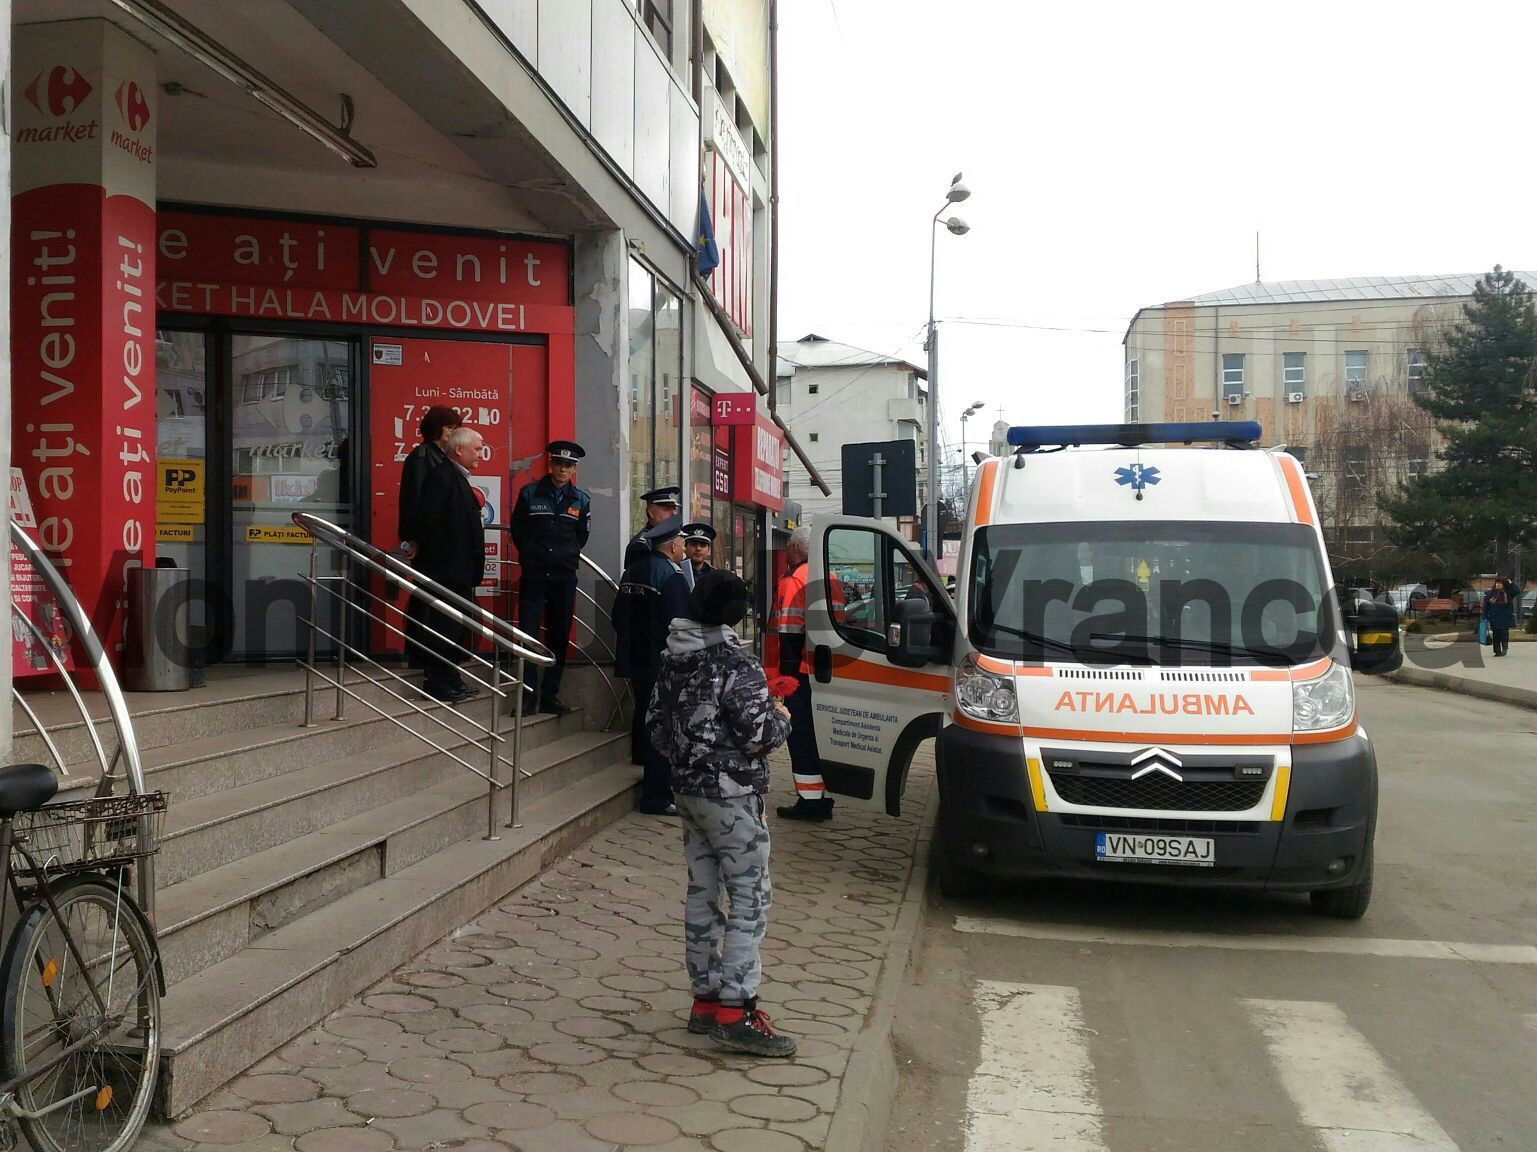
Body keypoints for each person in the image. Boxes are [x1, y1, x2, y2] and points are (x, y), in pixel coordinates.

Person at [647, 569, 796, 1057]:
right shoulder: (736, 661)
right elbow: (758, 736)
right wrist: (781, 716)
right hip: (732, 797)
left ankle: (705, 1001)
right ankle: (738, 1010)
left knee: (702, 892)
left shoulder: (672, 656)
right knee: (750, 897)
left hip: (687, 792)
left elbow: (654, 726)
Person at [615, 515, 692, 815]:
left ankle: (653, 785)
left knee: (646, 719)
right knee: (663, 728)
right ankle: (657, 796)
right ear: (673, 544)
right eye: (683, 541)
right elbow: (680, 626)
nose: (684, 546)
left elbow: (617, 617)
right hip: (661, 663)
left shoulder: (632, 572)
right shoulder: (671, 577)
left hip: (634, 660)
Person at [510, 440, 592, 715]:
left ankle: (549, 695)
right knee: (528, 635)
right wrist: (534, 554)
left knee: (558, 636)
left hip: (564, 577)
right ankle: (527, 696)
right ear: (551, 464)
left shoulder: (581, 500)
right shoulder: (530, 493)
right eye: (558, 463)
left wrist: (563, 556)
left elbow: (581, 536)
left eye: (568, 465)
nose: (562, 469)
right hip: (534, 574)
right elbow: (518, 531)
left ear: (574, 469)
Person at [412, 426, 487, 702]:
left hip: (460, 572)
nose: (481, 454)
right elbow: (428, 522)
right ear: (459, 449)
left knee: (456, 628)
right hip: (446, 571)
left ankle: (450, 675)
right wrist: (443, 559)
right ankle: (438, 680)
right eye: (477, 449)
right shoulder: (442, 477)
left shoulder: (457, 477)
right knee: (444, 627)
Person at [768, 526, 833, 822]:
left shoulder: (794, 579)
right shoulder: (829, 576)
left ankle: (809, 802)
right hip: (829, 671)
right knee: (822, 735)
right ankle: (822, 795)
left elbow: (789, 632)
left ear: (794, 547)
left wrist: (785, 679)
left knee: (802, 735)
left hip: (801, 672)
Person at [398, 406, 461, 666]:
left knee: (431, 596)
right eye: (450, 428)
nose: (453, 433)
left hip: (436, 542)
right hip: (427, 542)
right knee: (425, 595)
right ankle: (416, 651)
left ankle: (424, 651)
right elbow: (415, 502)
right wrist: (413, 538)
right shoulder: (423, 456)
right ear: (437, 428)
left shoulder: (438, 457)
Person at [624, 486, 683, 571]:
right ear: (651, 512)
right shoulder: (640, 546)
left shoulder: (675, 537)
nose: (673, 513)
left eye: (674, 509)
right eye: (667, 509)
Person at [1483, 574, 1517, 657]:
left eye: (1500, 583)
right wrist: (1484, 616)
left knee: (1504, 633)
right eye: (1497, 583)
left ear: (1504, 584)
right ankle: (1497, 651)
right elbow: (1486, 605)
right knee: (1496, 634)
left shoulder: (1509, 593)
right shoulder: (1491, 593)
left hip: (1505, 617)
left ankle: (1504, 649)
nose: (1498, 584)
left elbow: (1517, 590)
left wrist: (1511, 583)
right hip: (1494, 617)